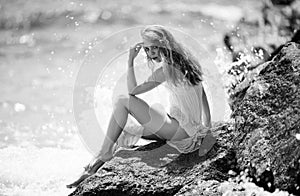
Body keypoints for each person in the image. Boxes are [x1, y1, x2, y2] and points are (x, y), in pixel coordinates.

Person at [66, 25, 216, 188]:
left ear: (163, 46)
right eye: (147, 49)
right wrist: (207, 128)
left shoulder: (167, 70)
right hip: (188, 130)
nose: (150, 53)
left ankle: (103, 154)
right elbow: (202, 95)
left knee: (123, 100)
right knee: (127, 131)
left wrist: (130, 60)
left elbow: (132, 91)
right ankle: (94, 166)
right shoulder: (189, 61)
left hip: (180, 131)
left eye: (153, 48)